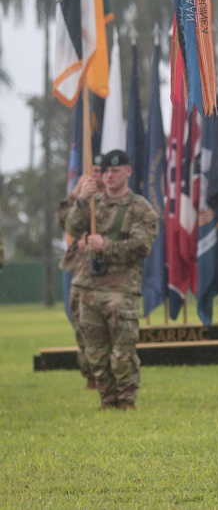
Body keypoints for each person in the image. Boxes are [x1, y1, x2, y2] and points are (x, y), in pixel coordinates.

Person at [65, 150, 159, 410]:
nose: (109, 175)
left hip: (121, 288)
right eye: (105, 171)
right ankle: (107, 401)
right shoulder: (94, 203)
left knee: (122, 351)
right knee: (95, 353)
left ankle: (126, 401)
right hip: (90, 287)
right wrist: (82, 201)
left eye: (115, 170)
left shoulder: (140, 207)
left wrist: (105, 245)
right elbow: (72, 228)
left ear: (128, 171)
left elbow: (142, 245)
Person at [59, 154, 105, 391]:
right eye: (92, 171)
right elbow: (63, 223)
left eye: (100, 170)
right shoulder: (80, 197)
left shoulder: (112, 199)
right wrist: (76, 194)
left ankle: (109, 375)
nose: (96, 176)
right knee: (82, 325)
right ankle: (90, 375)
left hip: (108, 273)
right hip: (80, 271)